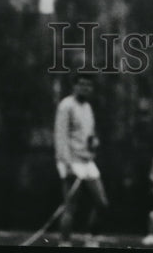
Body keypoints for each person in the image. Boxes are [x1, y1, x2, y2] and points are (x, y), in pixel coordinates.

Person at [54, 73, 109, 246]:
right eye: (82, 84)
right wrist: (67, 165)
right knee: (71, 206)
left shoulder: (88, 107)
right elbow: (60, 136)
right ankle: (64, 243)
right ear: (74, 86)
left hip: (87, 162)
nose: (85, 88)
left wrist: (94, 142)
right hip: (71, 161)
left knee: (102, 203)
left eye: (88, 85)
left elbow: (89, 135)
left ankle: (91, 239)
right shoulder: (66, 105)